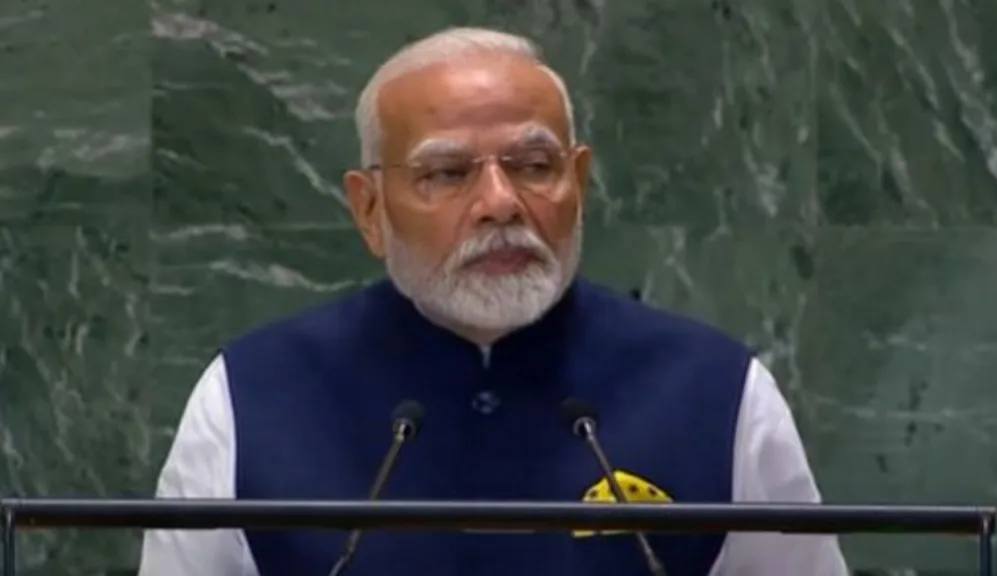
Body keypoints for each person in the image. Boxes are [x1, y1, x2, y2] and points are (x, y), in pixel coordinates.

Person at [138, 26, 848, 576]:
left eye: (534, 167)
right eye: (446, 174)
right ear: (370, 209)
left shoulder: (717, 390)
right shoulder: (248, 396)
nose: (500, 203)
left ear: (580, 182)